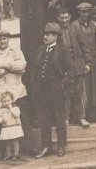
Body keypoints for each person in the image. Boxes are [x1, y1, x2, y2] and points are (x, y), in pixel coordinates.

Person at [26, 22, 70, 158]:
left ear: (56, 36)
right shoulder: (40, 50)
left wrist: (63, 85)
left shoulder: (63, 51)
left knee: (58, 118)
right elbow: (34, 69)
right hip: (41, 91)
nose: (45, 37)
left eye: (48, 35)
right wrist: (34, 84)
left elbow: (71, 70)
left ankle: (61, 146)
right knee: (43, 119)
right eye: (45, 34)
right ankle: (47, 146)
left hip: (56, 90)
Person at [0, 29, 27, 159]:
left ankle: (24, 149)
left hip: (16, 90)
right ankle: (2, 151)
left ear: (8, 39)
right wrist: (5, 70)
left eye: (4, 38)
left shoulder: (15, 51)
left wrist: (2, 65)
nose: (2, 41)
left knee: (20, 118)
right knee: (0, 121)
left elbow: (22, 66)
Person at [67, 2, 96, 127]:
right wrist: (84, 61)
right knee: (82, 88)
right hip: (81, 61)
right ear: (79, 13)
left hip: (92, 60)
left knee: (94, 88)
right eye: (83, 12)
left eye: (88, 12)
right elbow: (77, 45)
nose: (86, 14)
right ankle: (80, 115)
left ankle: (92, 113)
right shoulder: (74, 26)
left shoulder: (92, 25)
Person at [0, 92, 23, 161]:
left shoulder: (15, 108)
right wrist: (1, 120)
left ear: (12, 100)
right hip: (6, 128)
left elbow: (16, 114)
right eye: (4, 101)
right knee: (7, 142)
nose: (6, 103)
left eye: (8, 101)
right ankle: (9, 154)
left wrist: (11, 108)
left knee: (15, 141)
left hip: (14, 127)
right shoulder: (2, 110)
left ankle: (16, 154)